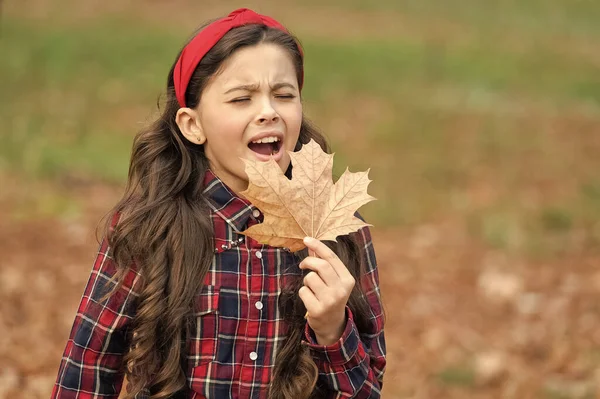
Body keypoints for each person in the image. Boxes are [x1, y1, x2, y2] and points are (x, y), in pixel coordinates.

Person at [50, 8, 386, 399]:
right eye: (241, 99)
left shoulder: (335, 226)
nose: (268, 112)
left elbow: (369, 389)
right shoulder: (152, 225)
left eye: (284, 95)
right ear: (193, 125)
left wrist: (332, 330)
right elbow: (87, 365)